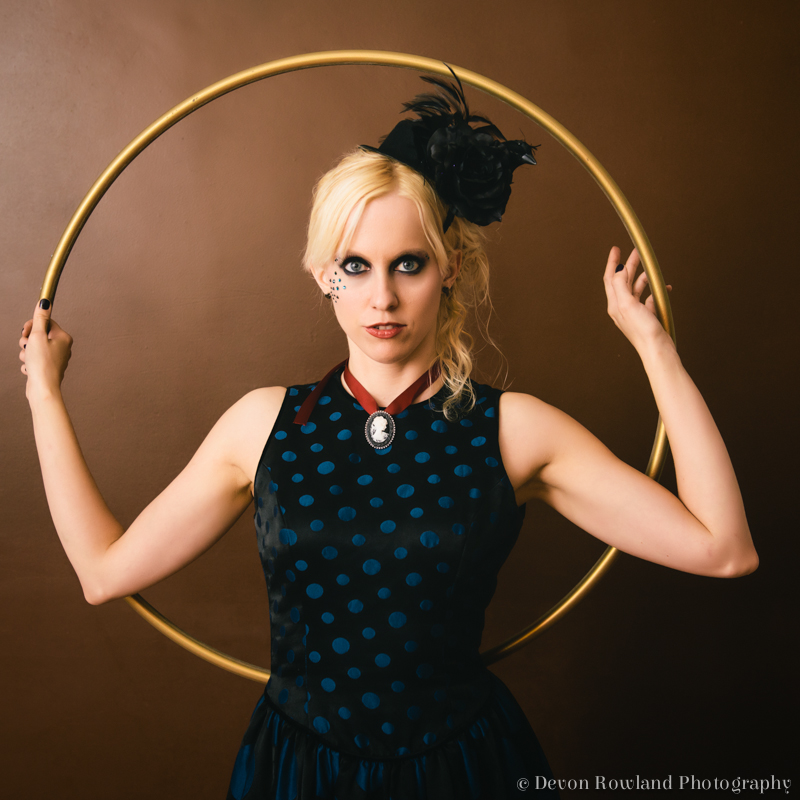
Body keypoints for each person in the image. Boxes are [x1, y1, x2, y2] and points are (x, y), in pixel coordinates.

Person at [19, 75, 758, 800]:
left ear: (450, 269)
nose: (383, 297)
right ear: (322, 275)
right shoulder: (264, 425)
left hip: (463, 770)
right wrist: (43, 394)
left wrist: (655, 348)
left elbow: (723, 549)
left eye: (409, 264)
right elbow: (102, 572)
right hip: (297, 772)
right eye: (355, 266)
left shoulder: (513, 430)